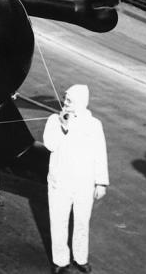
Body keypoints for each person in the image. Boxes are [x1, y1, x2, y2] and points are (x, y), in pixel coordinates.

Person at [44, 84, 108, 274]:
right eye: (65, 99)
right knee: (58, 220)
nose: (65, 103)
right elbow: (49, 144)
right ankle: (60, 261)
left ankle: (80, 257)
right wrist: (63, 126)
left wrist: (101, 182)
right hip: (60, 182)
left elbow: (100, 154)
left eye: (70, 100)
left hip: (84, 183)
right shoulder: (54, 120)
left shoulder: (94, 124)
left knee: (82, 221)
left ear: (81, 102)